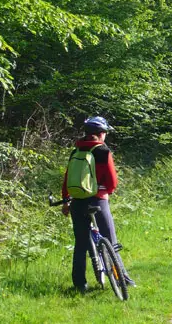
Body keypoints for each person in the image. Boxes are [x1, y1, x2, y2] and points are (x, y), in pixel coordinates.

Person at [61, 116, 135, 291]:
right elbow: (112, 182)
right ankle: (122, 280)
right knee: (110, 240)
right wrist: (106, 192)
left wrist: (66, 200)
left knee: (80, 245)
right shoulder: (103, 151)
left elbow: (67, 178)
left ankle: (80, 284)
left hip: (77, 202)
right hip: (98, 201)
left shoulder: (76, 151)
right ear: (101, 133)